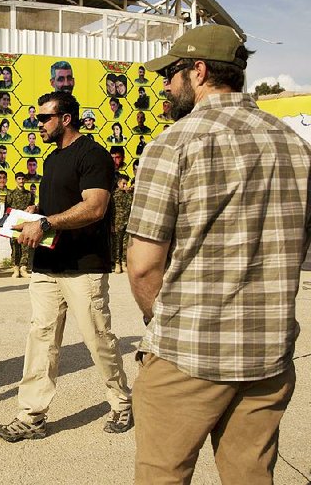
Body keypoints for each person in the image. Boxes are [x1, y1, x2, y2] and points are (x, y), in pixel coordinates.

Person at [127, 24, 311, 484]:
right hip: (268, 355)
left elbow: (144, 264)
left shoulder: (173, 144)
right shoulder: (297, 147)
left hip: (189, 352)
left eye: (171, 73)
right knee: (251, 476)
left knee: (161, 476)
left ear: (200, 71)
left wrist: (159, 321)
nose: (165, 84)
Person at [0, 91, 132, 442]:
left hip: (83, 266)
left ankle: (121, 403)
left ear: (65, 119)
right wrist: (28, 217)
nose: (38, 124)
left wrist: (48, 223)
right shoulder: (53, 160)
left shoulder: (94, 156)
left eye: (44, 118)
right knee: (41, 339)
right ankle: (31, 416)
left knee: (98, 339)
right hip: (47, 266)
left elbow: (95, 207)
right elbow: (54, 205)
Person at [6, 172, 35, 278]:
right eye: (19, 179)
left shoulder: (29, 194)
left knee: (25, 246)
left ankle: (23, 268)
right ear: (15, 180)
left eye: (23, 179)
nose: (21, 181)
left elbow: (32, 208)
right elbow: (7, 210)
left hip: (26, 224)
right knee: (14, 246)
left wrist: (31, 210)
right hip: (14, 224)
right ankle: (16, 269)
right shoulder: (11, 194)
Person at [111, 173, 132, 274]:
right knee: (116, 244)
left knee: (125, 244)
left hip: (127, 222)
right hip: (117, 222)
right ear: (118, 183)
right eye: (123, 183)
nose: (125, 185)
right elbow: (111, 210)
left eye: (126, 183)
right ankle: (117, 263)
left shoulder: (128, 194)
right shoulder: (114, 194)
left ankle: (124, 263)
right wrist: (111, 224)